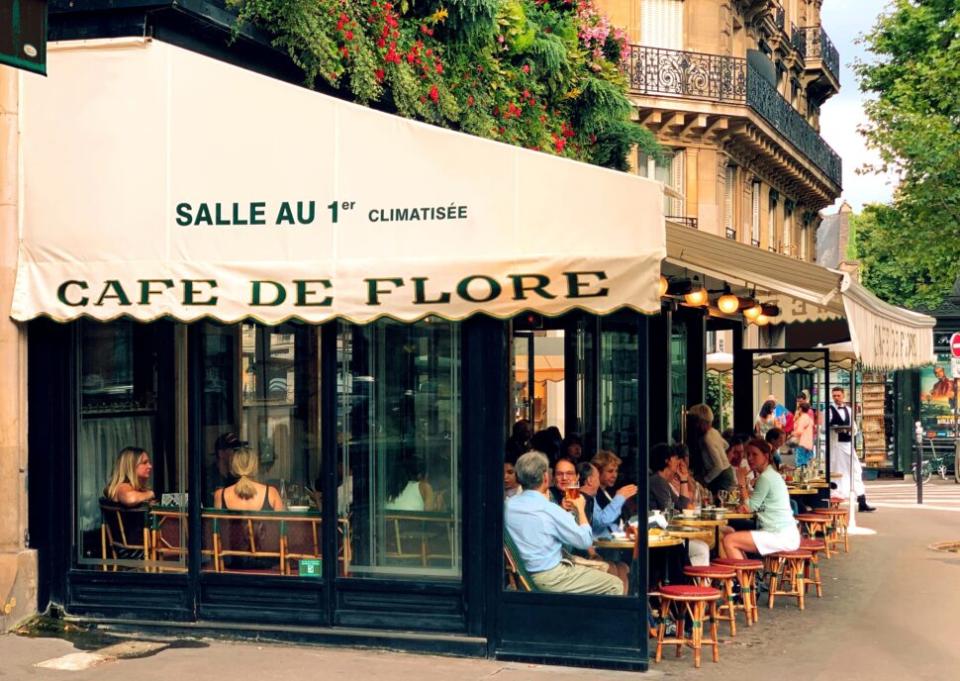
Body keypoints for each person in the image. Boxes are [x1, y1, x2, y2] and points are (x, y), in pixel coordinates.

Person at [504, 451, 624, 595]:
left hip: (524, 576)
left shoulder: (507, 507)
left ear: (518, 477)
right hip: (551, 576)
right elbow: (585, 541)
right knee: (615, 584)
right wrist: (579, 508)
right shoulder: (549, 508)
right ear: (546, 477)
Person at [721, 439, 800, 559]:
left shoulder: (765, 478)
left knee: (729, 541)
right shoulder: (769, 475)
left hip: (779, 535)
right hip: (786, 533)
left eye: (755, 454)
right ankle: (746, 575)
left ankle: (742, 578)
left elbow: (749, 508)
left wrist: (741, 482)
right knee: (728, 532)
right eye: (748, 455)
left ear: (766, 456)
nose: (750, 458)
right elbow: (750, 505)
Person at [648, 444, 709, 566]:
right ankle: (689, 583)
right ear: (667, 461)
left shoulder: (663, 482)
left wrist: (684, 479)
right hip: (659, 537)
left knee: (702, 547)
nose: (679, 462)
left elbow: (683, 506)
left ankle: (691, 582)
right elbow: (668, 511)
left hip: (668, 534)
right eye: (676, 458)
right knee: (701, 549)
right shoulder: (657, 481)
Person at [575, 462, 630, 592]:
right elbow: (600, 521)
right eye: (597, 477)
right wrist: (620, 497)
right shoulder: (581, 498)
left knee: (623, 568)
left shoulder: (591, 499)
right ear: (589, 480)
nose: (599, 482)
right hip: (587, 552)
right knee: (612, 568)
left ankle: (622, 607)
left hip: (600, 548)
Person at [827, 387, 875, 512]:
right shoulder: (829, 411)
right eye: (834, 395)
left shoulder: (849, 410)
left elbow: (854, 428)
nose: (836, 398)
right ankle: (834, 498)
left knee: (856, 471)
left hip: (848, 445)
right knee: (836, 472)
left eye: (838, 395)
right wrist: (835, 428)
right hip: (836, 446)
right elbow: (824, 428)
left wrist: (848, 430)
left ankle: (862, 501)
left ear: (843, 396)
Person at [687, 403, 737, 498]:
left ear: (700, 422)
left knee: (719, 503)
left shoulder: (707, 438)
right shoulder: (714, 432)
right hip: (726, 472)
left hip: (720, 476)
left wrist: (705, 479)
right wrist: (721, 454)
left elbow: (719, 466)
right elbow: (726, 445)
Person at [214, 447, 284, 511]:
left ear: (233, 467)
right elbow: (282, 523)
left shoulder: (219, 495)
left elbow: (217, 524)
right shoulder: (271, 493)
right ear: (255, 467)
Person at [206, 432, 246, 505]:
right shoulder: (207, 477)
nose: (237, 454)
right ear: (221, 453)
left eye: (238, 450)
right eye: (234, 450)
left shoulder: (238, 476)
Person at [791, 403, 816, 468]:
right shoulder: (809, 418)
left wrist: (792, 434)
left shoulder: (802, 418)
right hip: (809, 444)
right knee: (807, 464)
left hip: (801, 443)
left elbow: (799, 431)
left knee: (800, 464)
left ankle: (802, 477)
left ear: (800, 409)